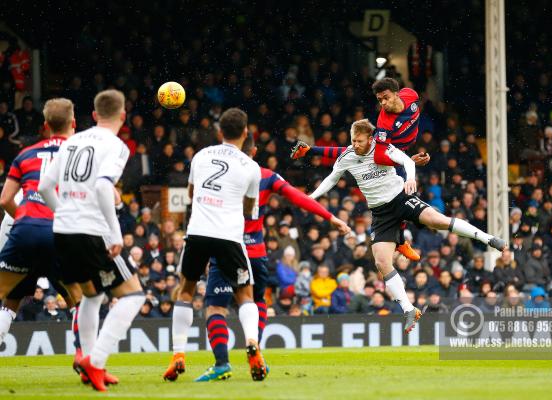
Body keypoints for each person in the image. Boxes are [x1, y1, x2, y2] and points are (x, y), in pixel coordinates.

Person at [309, 119, 507, 334]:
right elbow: (331, 179)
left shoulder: (382, 148)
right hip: (380, 212)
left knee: (437, 220)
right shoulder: (347, 156)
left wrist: (410, 179)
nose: (355, 144)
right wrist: (310, 198)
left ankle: (489, 239)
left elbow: (407, 162)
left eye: (359, 141)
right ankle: (408, 309)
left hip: (400, 199)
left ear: (370, 139)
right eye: (353, 140)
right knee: (382, 262)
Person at [192, 133, 350, 382]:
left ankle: (222, 363)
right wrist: (330, 217)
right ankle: (255, 345)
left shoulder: (219, 173)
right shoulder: (265, 175)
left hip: (225, 247)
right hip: (255, 252)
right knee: (257, 302)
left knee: (216, 307)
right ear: (253, 151)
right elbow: (297, 197)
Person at [39, 90, 143, 392]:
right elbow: (101, 187)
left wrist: (65, 214)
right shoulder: (117, 146)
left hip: (64, 230)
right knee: (133, 295)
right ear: (122, 117)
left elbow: (46, 186)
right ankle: (95, 361)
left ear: (94, 116)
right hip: (91, 231)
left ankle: (89, 368)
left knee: (92, 295)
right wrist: (113, 233)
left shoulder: (72, 141)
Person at [162, 108, 267, 382]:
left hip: (197, 232)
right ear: (245, 133)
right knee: (245, 294)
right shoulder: (251, 167)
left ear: (220, 132)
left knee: (185, 291)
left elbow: (191, 193)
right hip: (229, 236)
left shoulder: (201, 156)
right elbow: (248, 207)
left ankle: (178, 355)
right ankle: (252, 344)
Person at [291, 77, 430, 262]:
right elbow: (379, 157)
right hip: (390, 149)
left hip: (404, 149)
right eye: (379, 100)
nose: (383, 103)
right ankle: (402, 242)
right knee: (400, 194)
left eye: (386, 98)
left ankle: (309, 149)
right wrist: (406, 161)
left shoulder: (411, 96)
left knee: (354, 152)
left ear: (397, 94)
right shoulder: (384, 121)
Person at [0, 98, 83, 356]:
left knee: (9, 297)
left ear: (45, 125)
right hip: (58, 232)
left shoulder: (25, 153)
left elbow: (4, 200)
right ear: (74, 124)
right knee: (78, 298)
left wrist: (25, 217)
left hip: (22, 229)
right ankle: (85, 358)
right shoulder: (81, 153)